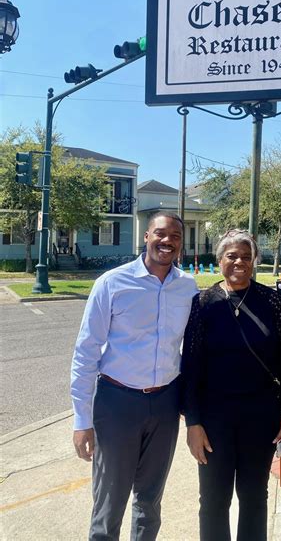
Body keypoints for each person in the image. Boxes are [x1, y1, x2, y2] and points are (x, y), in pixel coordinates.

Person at [70, 212, 198, 541]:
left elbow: (193, 350)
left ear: (181, 244)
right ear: (146, 236)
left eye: (175, 236)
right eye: (160, 233)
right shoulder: (112, 283)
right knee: (109, 502)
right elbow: (86, 352)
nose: (167, 241)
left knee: (150, 501)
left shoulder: (187, 288)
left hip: (165, 404)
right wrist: (82, 419)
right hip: (117, 404)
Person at [181, 229, 281, 541]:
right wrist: (193, 423)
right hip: (214, 419)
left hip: (261, 415)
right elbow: (191, 368)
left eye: (246, 256)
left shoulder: (272, 302)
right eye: (232, 256)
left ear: (254, 262)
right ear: (219, 259)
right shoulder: (203, 304)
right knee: (213, 499)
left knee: (254, 496)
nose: (239, 262)